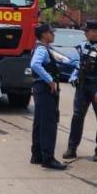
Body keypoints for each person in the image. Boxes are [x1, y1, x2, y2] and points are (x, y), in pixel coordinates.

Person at [63, 21, 97, 163]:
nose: (85, 33)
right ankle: (71, 148)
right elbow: (78, 65)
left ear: (95, 32)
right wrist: (73, 77)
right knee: (77, 117)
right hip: (83, 87)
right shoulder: (83, 46)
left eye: (87, 31)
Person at [29, 24, 69, 170]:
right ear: (45, 34)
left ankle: (37, 155)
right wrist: (49, 80)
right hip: (45, 89)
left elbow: (63, 60)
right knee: (48, 125)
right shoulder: (41, 49)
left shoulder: (43, 48)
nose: (53, 35)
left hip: (40, 89)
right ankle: (48, 158)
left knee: (40, 122)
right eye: (51, 32)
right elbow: (35, 65)